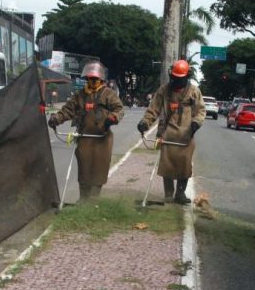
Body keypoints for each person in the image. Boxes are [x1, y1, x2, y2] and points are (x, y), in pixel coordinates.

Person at [47, 61, 125, 200]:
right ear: (87, 79)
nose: (93, 81)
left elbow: (119, 109)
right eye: (90, 78)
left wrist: (113, 118)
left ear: (101, 79)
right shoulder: (80, 95)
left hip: (102, 139)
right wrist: (56, 119)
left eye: (95, 79)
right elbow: (67, 110)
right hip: (84, 138)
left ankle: (94, 200)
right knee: (84, 170)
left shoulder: (108, 94)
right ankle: (83, 200)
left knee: (99, 170)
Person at [137, 60, 205, 204]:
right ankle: (168, 194)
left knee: (185, 166)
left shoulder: (194, 91)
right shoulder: (164, 90)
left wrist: (196, 123)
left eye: (179, 78)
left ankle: (180, 194)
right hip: (166, 134)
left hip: (186, 136)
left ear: (186, 77)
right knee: (167, 166)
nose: (176, 81)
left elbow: (200, 111)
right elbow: (153, 109)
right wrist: (145, 123)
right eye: (174, 77)